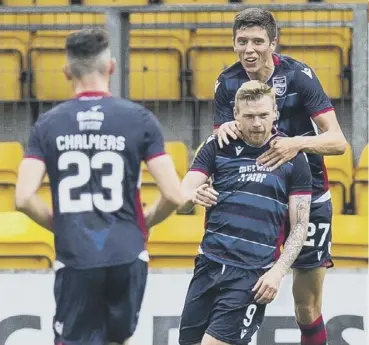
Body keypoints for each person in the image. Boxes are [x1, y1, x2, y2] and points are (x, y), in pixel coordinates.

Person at [15, 28, 188, 345]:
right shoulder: (139, 119)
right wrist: (144, 222)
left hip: (77, 255)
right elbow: (176, 195)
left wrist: (58, 223)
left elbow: (24, 197)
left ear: (67, 71)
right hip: (128, 252)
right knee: (117, 340)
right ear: (110, 67)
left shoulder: (48, 124)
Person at [210, 8, 347, 345]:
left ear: (274, 43)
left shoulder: (300, 76)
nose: (249, 50)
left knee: (306, 305)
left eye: (258, 41)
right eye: (241, 42)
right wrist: (224, 131)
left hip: (309, 196)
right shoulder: (227, 82)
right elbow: (220, 151)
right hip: (257, 200)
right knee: (238, 296)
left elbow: (338, 142)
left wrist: (294, 145)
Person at [145, 80, 312, 345]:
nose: (257, 123)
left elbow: (300, 225)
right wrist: (194, 196)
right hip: (208, 265)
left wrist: (277, 273)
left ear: (275, 113)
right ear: (235, 115)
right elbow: (182, 198)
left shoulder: (292, 157)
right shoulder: (217, 145)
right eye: (249, 116)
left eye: (263, 115)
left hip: (251, 274)